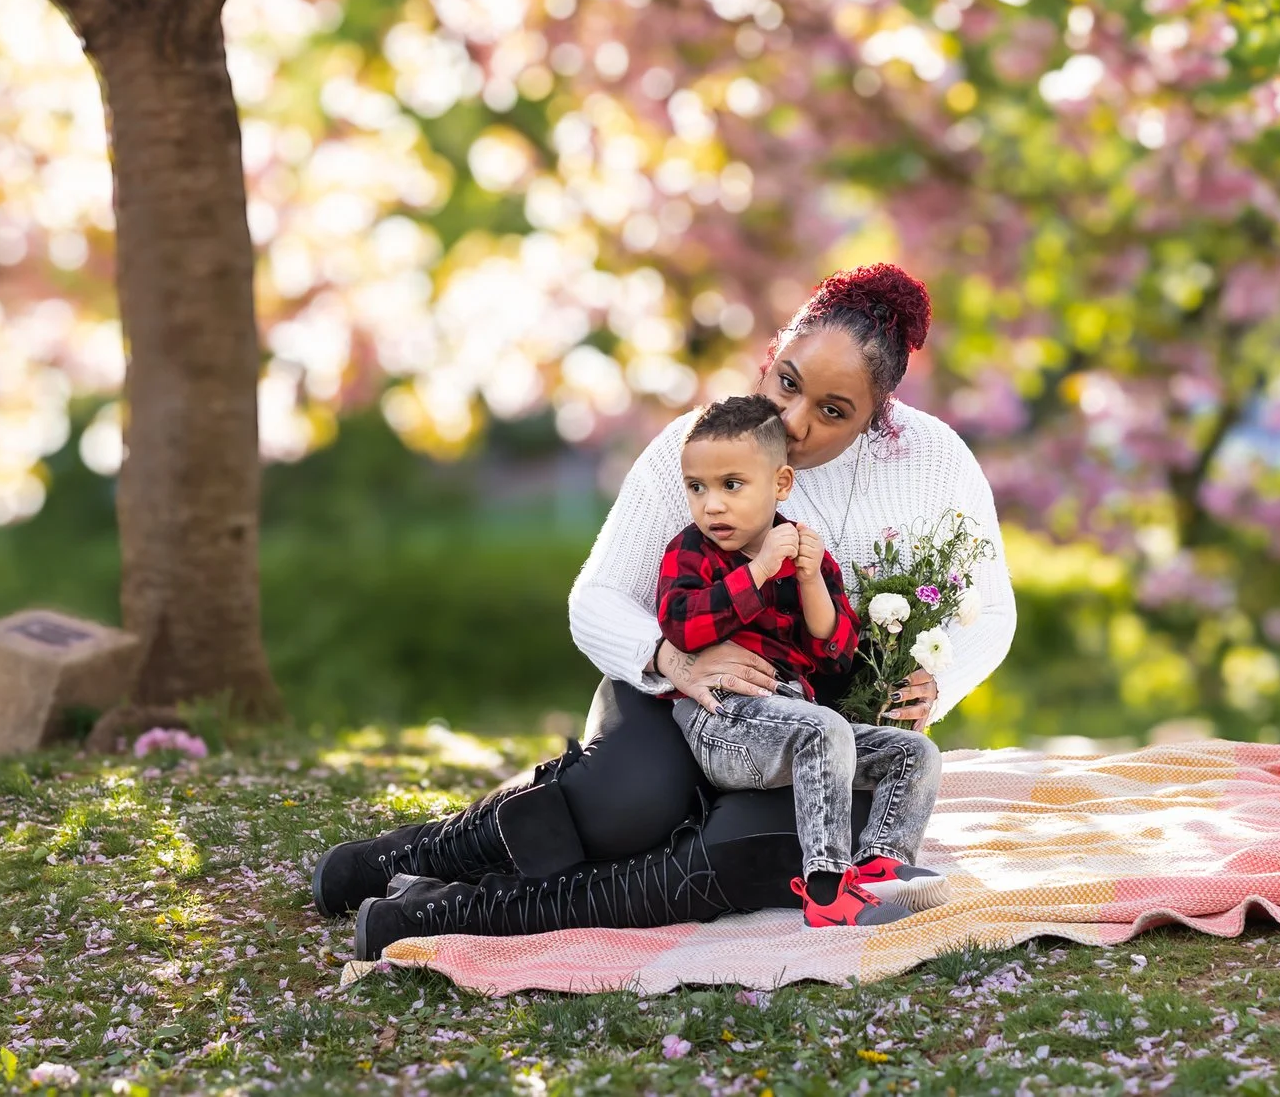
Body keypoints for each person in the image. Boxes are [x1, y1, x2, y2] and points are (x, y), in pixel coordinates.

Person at [312, 263, 1015, 958]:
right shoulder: (700, 449)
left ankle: (449, 912)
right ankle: (403, 859)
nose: (795, 420)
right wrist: (674, 659)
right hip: (676, 697)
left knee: (743, 850)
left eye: (834, 411)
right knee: (626, 805)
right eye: (788, 382)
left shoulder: (934, 462)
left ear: (877, 415)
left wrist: (935, 682)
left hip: (814, 726)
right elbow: (595, 599)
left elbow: (990, 612)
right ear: (772, 356)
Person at [659, 393, 941, 928]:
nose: (711, 505)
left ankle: (879, 866)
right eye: (697, 487)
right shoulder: (691, 551)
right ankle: (827, 890)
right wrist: (758, 571)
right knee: (823, 729)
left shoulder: (808, 555)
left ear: (781, 484)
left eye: (731, 485)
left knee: (913, 752)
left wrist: (809, 581)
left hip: (796, 722)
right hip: (723, 720)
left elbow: (836, 657)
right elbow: (681, 626)